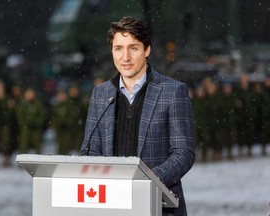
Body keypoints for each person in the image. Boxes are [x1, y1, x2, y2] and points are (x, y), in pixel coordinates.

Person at [80, 16, 195, 216]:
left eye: (133, 48)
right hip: (111, 205)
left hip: (159, 206)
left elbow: (183, 153)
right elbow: (89, 153)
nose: (125, 57)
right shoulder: (101, 94)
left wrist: (147, 181)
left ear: (147, 49)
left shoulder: (173, 91)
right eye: (118, 49)